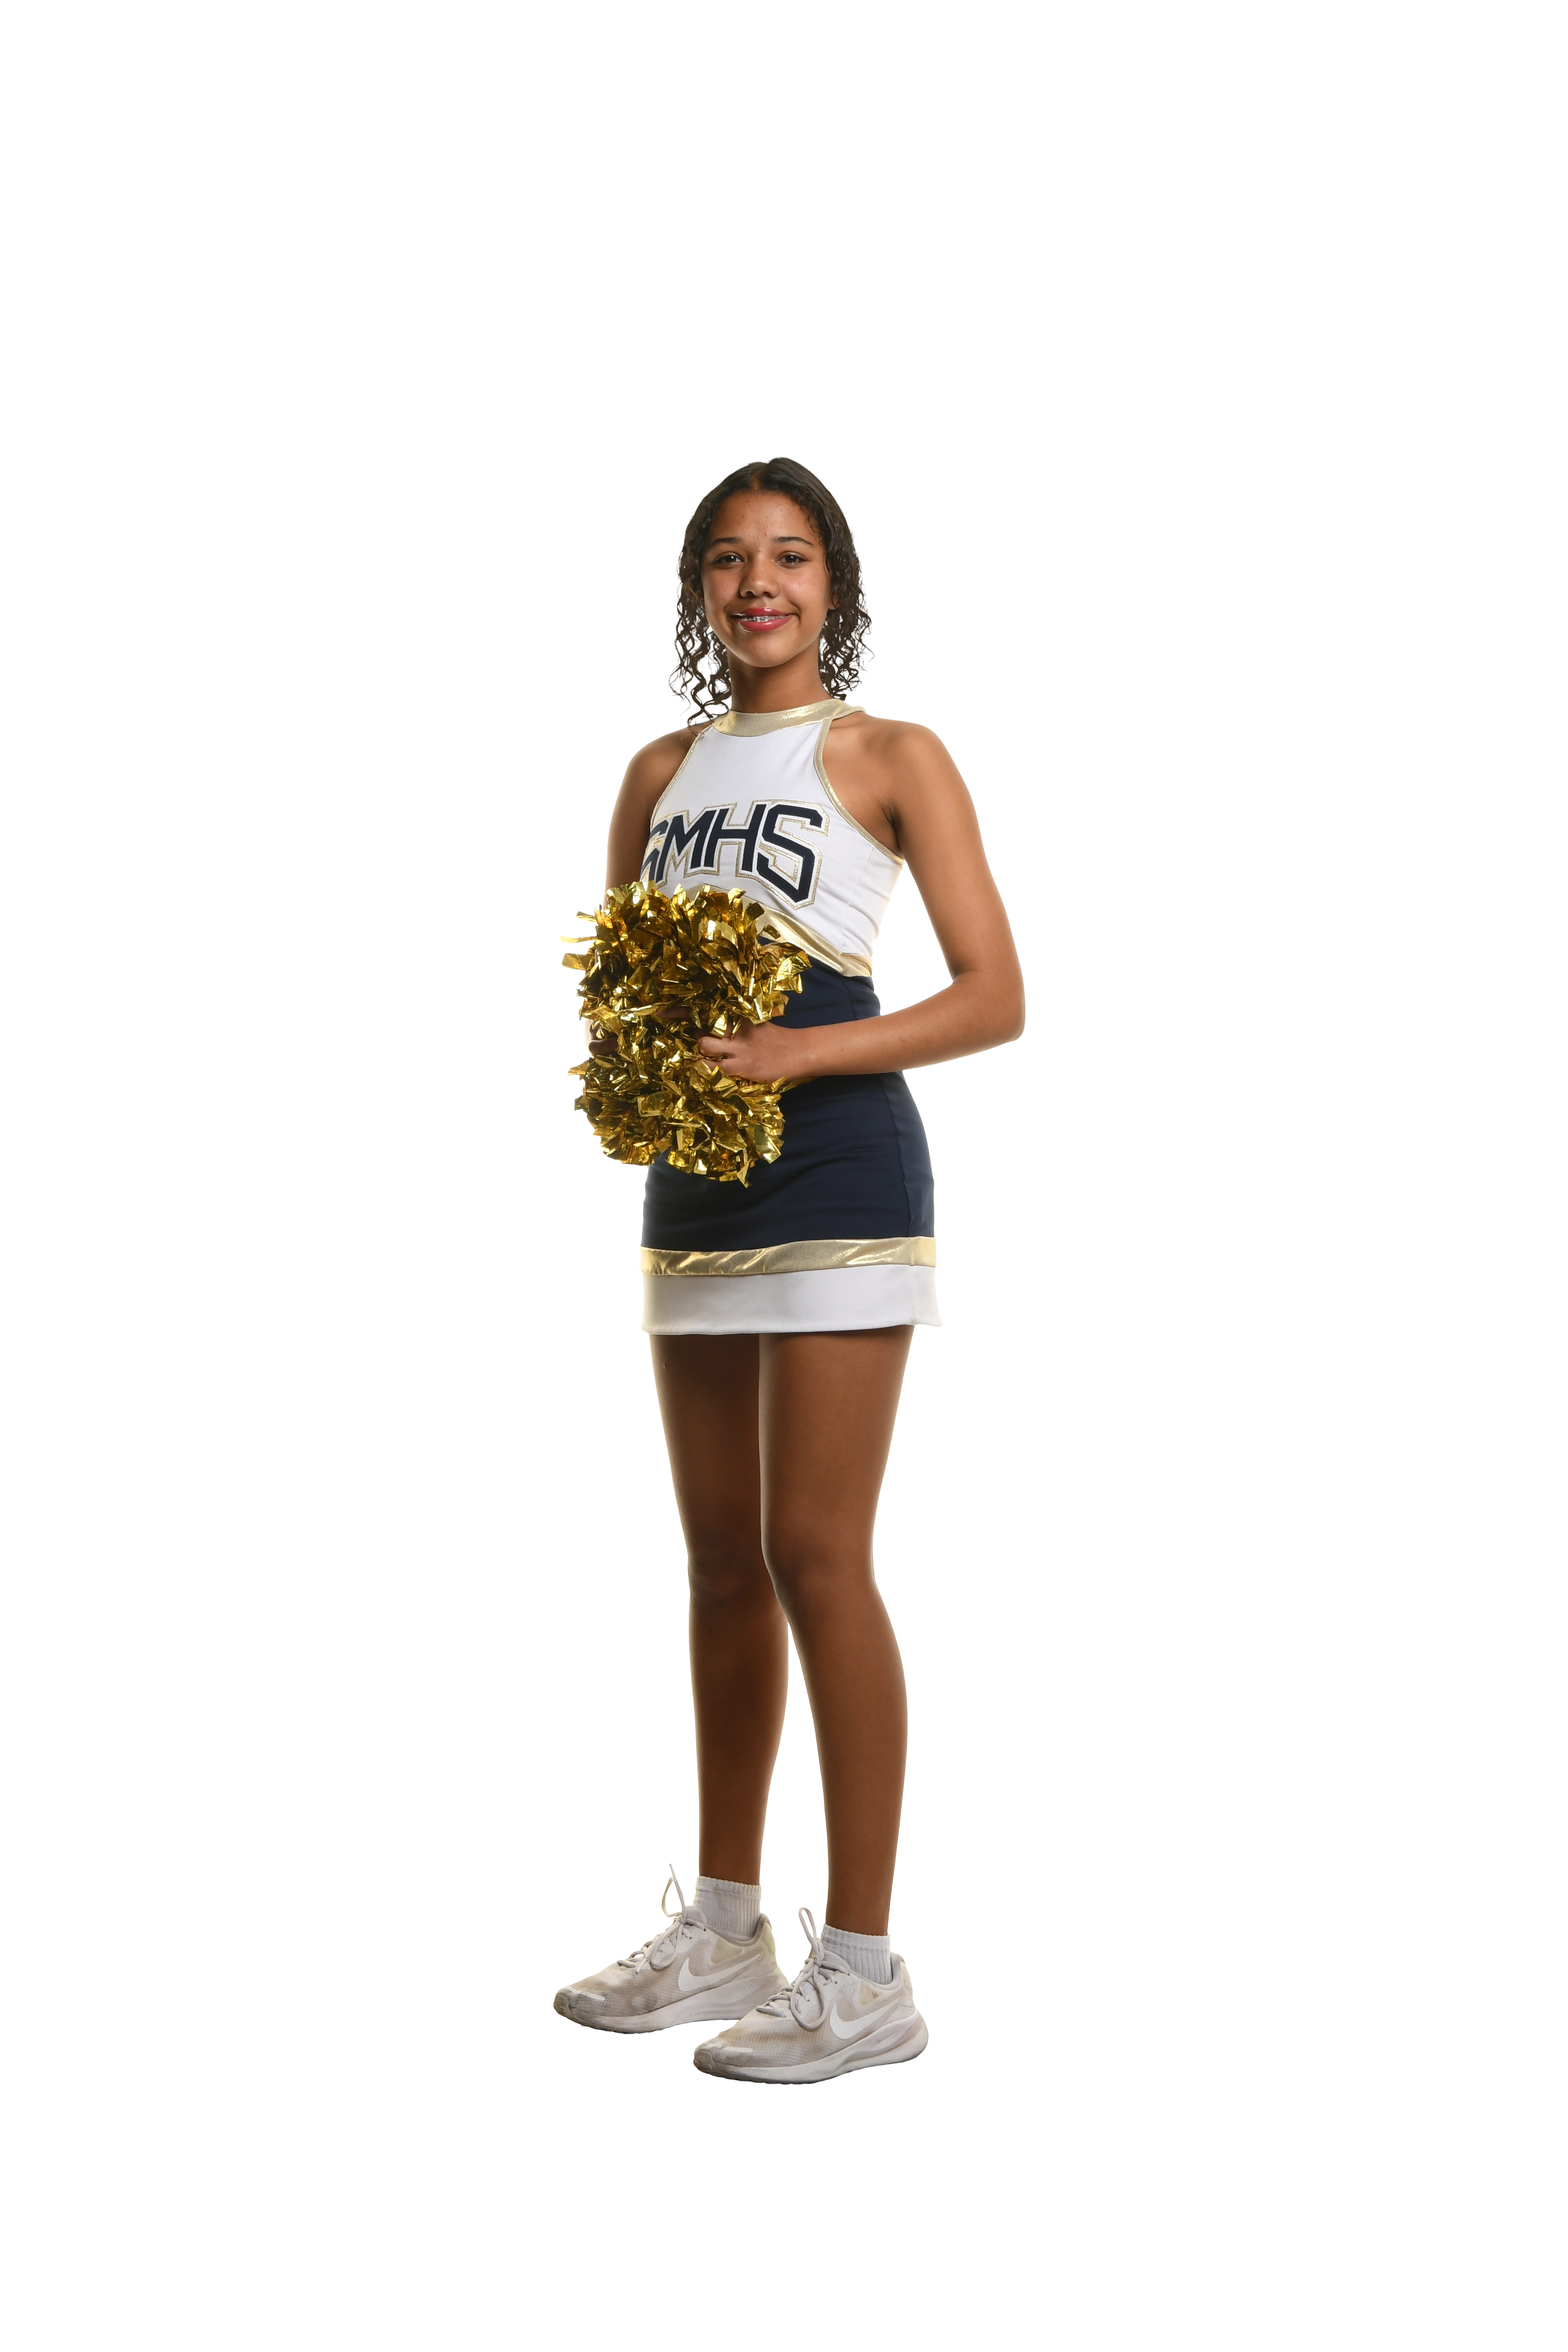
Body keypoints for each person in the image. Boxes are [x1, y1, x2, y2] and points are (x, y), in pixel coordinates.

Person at [553, 456, 1024, 2082]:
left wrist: (796, 1059)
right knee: (717, 1563)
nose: (759, 582)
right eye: (729, 558)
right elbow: (628, 988)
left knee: (816, 1550)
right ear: (698, 589)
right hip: (696, 1182)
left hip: (837, 1166)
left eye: (792, 556)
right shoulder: (658, 771)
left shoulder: (890, 754)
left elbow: (994, 993)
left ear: (838, 584)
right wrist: (645, 1077)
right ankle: (722, 1931)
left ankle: (867, 1970)